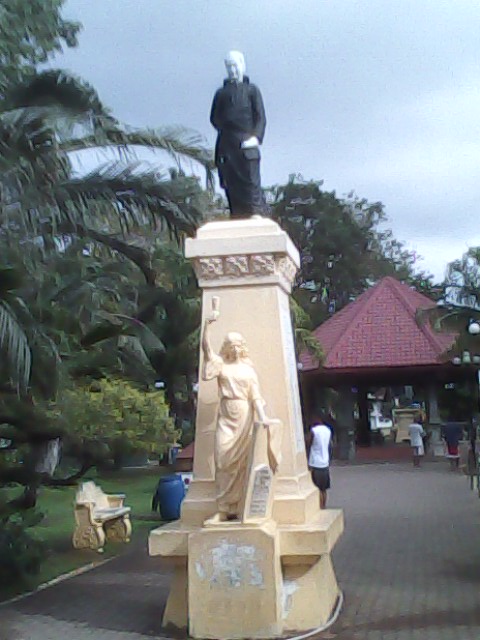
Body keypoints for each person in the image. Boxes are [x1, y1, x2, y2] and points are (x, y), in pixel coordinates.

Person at [201, 313, 270, 523]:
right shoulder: (221, 365)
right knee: (222, 460)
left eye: (238, 345)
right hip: (226, 417)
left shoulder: (249, 371)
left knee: (241, 463)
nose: (235, 348)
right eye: (231, 345)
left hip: (244, 416)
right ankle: (222, 508)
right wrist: (208, 326)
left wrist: (263, 418)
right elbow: (207, 351)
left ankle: (240, 506)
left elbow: (256, 396)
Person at [210, 50, 267, 218]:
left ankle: (254, 211)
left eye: (235, 66)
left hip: (247, 142)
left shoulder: (252, 90)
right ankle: (237, 213)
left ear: (242, 65)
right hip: (227, 144)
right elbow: (214, 117)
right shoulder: (221, 93)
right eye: (229, 67)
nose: (233, 70)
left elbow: (261, 117)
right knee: (230, 181)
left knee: (250, 179)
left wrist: (255, 137)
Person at [307, 413, 332, 509]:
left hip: (315, 463)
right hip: (324, 462)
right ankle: (324, 505)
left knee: (317, 488)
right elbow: (329, 446)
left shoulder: (314, 431)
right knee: (323, 489)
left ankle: (319, 507)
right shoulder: (327, 430)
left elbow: (309, 443)